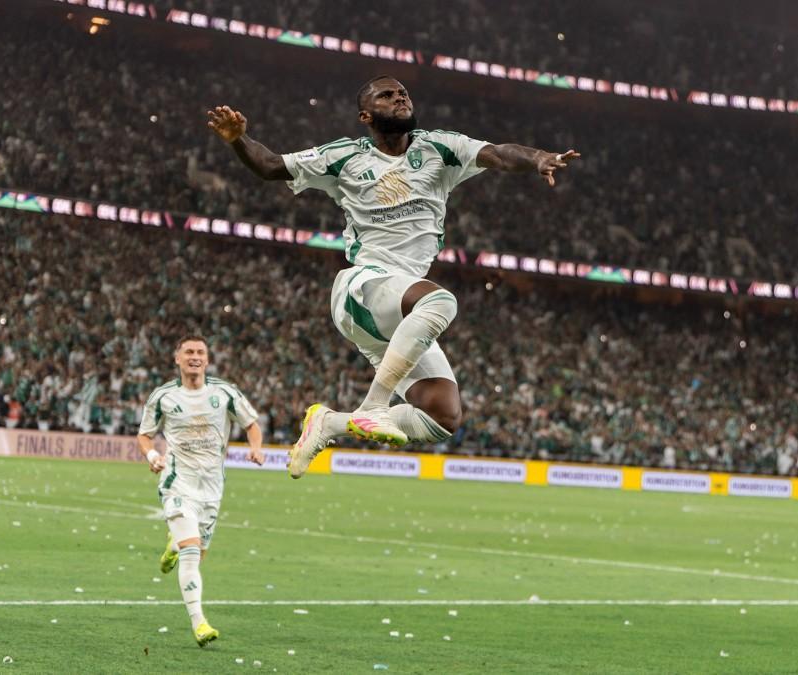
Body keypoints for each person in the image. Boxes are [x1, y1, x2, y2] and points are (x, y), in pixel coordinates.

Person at [206, 75, 579, 477]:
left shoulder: (440, 147)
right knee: (440, 301)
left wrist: (538, 157)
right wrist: (238, 139)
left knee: (441, 416)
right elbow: (271, 166)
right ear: (366, 115)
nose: (399, 98)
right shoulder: (345, 156)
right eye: (386, 96)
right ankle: (374, 408)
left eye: (403, 93)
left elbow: (501, 154)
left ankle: (330, 423)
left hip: (398, 316)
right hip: (362, 287)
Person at [136, 335, 265, 647]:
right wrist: (153, 456)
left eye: (200, 352)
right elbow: (145, 435)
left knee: (197, 551)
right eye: (189, 352)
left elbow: (251, 424)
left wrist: (256, 448)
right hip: (177, 481)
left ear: (207, 360)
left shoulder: (224, 392)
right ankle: (199, 623)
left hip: (212, 488)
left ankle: (174, 545)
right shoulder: (164, 396)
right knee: (192, 554)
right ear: (177, 359)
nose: (194, 357)